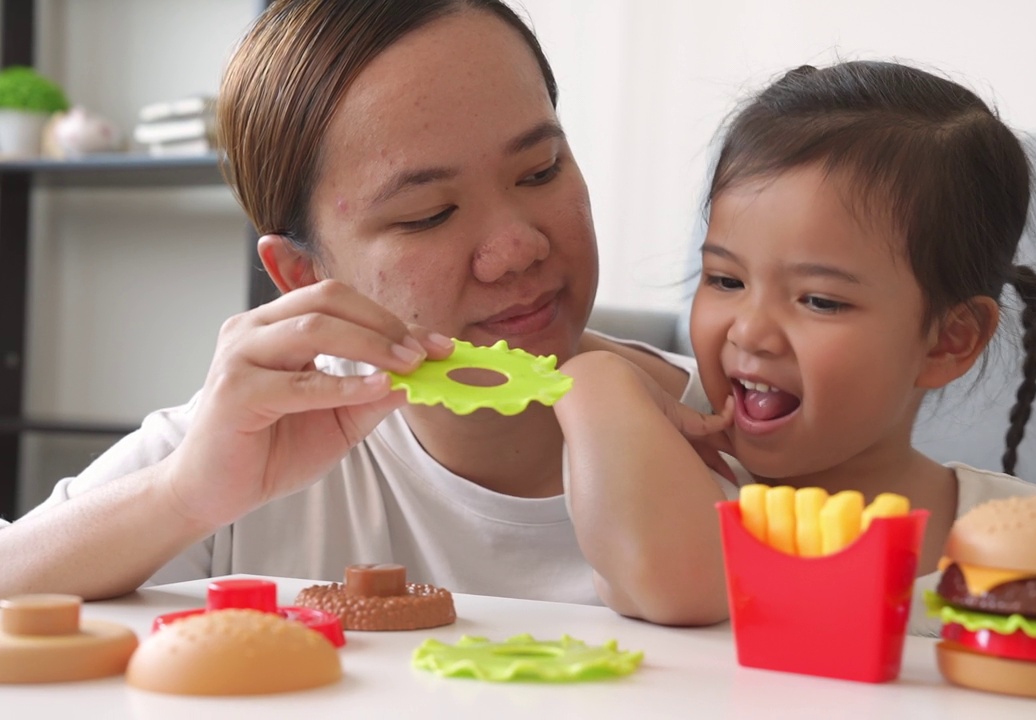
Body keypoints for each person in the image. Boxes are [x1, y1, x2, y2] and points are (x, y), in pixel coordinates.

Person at [0, 0, 734, 626]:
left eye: (540, 170)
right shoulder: (250, 447)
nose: (515, 249)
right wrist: (184, 495)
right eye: (429, 214)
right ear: (303, 274)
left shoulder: (749, 436)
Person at [553, 60, 1036, 634]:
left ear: (949, 340)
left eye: (819, 300)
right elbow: (673, 581)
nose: (750, 332)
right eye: (726, 281)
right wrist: (591, 379)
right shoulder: (686, 498)